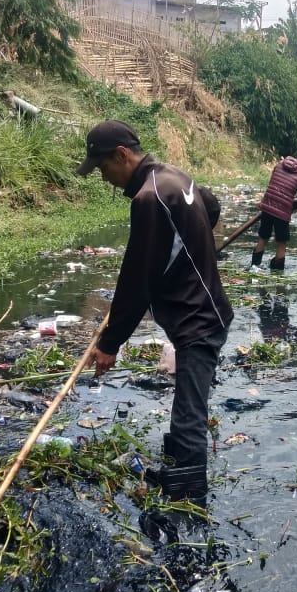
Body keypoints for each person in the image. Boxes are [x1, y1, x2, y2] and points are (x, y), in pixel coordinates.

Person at [76, 120, 234, 500]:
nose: (103, 178)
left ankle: (190, 500)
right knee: (186, 407)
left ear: (121, 155)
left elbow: (138, 279)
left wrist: (111, 343)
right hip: (202, 307)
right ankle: (179, 474)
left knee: (189, 415)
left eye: (102, 168)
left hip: (198, 317)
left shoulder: (149, 199)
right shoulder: (173, 176)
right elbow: (210, 207)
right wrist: (193, 249)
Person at [251, 151, 297, 271]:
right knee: (281, 242)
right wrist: (290, 206)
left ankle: (254, 265)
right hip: (282, 212)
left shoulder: (280, 164)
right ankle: (278, 271)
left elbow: (272, 184)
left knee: (263, 237)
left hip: (267, 205)